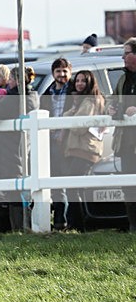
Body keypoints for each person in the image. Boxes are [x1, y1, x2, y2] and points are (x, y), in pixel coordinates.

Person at [0, 66, 39, 232]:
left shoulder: (13, 99)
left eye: (11, 79)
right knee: (16, 190)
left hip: (9, 149)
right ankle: (18, 227)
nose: (9, 82)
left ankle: (17, 228)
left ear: (18, 81)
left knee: (13, 191)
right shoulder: (32, 96)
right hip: (19, 147)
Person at [61, 70, 106, 231]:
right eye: (77, 80)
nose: (79, 84)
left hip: (85, 150)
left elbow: (78, 127)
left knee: (73, 187)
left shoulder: (90, 101)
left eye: (83, 81)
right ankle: (77, 224)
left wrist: (72, 112)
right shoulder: (82, 101)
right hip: (78, 149)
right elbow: (64, 117)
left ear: (90, 83)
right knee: (75, 187)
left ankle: (79, 225)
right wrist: (73, 109)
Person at [40, 57, 72, 230]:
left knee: (66, 182)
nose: (61, 74)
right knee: (52, 182)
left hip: (69, 143)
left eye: (64, 71)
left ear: (70, 72)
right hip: (50, 143)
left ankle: (67, 220)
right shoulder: (48, 93)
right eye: (58, 71)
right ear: (53, 73)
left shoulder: (75, 91)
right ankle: (59, 221)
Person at [109, 37, 136, 231]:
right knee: (128, 186)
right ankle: (133, 225)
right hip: (126, 142)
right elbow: (112, 99)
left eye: (126, 53)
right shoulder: (123, 79)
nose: (122, 57)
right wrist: (111, 108)